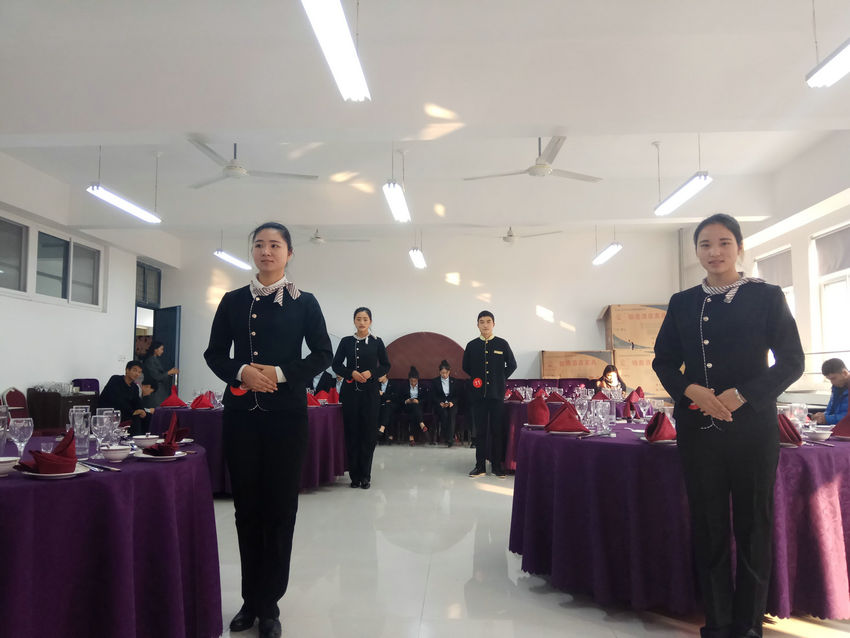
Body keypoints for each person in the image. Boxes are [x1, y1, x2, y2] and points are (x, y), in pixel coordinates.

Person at [652, 213, 804, 638]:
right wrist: (690, 390)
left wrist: (745, 395)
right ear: (696, 251)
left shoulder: (766, 296)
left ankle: (749, 624)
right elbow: (663, 361)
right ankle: (717, 623)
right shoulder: (682, 302)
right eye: (705, 244)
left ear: (739, 247)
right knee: (709, 525)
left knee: (754, 525)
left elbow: (792, 361)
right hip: (699, 430)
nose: (714, 252)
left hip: (752, 429)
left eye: (723, 243)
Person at [203, 221, 332, 638]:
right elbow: (214, 354)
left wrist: (279, 373)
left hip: (287, 420)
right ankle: (250, 599)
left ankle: (270, 603)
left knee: (280, 510)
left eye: (275, 245)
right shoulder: (232, 301)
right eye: (259, 244)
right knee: (246, 511)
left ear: (289, 253)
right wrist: (241, 371)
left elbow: (323, 355)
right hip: (241, 418)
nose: (266, 251)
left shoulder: (304, 302)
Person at [332, 307, 390, 489]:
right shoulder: (346, 341)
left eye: (365, 319)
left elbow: (386, 365)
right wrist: (351, 373)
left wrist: (371, 372)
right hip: (350, 394)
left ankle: (365, 476)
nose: (362, 322)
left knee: (368, 435)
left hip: (370, 395)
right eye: (358, 319)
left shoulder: (377, 342)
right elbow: (336, 364)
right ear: (354, 321)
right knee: (352, 434)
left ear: (370, 321)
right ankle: (354, 476)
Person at [462, 310, 517, 478]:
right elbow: (466, 366)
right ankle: (479, 466)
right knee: (480, 432)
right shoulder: (472, 345)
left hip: (496, 395)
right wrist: (477, 378)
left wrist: (500, 378)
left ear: (493, 324)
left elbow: (512, 365)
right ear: (477, 325)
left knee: (496, 431)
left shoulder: (502, 344)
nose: (485, 325)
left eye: (488, 321)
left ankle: (497, 467)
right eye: (482, 322)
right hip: (478, 396)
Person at [98, 360, 152, 435]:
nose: (137, 374)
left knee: (148, 416)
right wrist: (132, 412)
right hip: (113, 413)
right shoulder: (115, 379)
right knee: (135, 417)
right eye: (135, 370)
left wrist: (142, 411)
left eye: (139, 372)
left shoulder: (134, 387)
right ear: (127, 370)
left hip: (126, 413)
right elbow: (117, 400)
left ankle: (147, 438)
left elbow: (137, 402)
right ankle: (135, 438)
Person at [811, 358, 849, 425]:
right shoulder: (836, 388)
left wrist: (826, 419)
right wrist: (821, 416)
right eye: (829, 379)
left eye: (833, 378)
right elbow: (830, 411)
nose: (832, 382)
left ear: (845, 373)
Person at [142, 340, 179, 407]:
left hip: (161, 390)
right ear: (155, 349)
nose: (162, 351)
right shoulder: (150, 361)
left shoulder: (155, 359)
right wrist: (169, 372)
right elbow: (156, 376)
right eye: (161, 349)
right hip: (156, 391)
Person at [432, 360, 460, 447]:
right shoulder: (435, 381)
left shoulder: (454, 381)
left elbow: (457, 395)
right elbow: (433, 396)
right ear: (439, 372)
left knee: (451, 415)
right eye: (442, 373)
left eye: (446, 373)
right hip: (441, 404)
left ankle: (450, 439)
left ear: (449, 372)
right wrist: (439, 402)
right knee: (444, 415)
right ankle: (447, 436)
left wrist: (452, 402)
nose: (444, 375)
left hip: (452, 404)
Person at [399, 367, 428, 446]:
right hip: (407, 406)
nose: (413, 383)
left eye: (415, 381)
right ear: (409, 380)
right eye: (411, 381)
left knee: (414, 413)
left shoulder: (422, 386)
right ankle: (422, 424)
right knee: (414, 408)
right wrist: (406, 401)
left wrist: (418, 401)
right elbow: (399, 398)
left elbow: (426, 398)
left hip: (418, 406)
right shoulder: (404, 385)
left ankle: (411, 438)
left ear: (417, 380)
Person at [377, 374, 397, 444]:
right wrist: (387, 398)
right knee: (387, 411)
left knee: (387, 406)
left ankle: (382, 429)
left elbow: (394, 397)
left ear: (385, 375)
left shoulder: (393, 384)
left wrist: (383, 394)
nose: (378, 377)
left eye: (379, 376)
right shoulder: (377, 385)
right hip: (380, 405)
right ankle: (389, 435)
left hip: (392, 405)